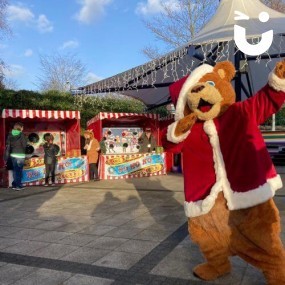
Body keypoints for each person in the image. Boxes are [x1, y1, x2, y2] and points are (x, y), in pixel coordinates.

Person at [5, 122, 27, 190]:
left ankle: (14, 185)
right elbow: (24, 145)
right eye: (22, 127)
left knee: (15, 170)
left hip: (13, 155)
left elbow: (8, 145)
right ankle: (18, 186)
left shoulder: (10, 135)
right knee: (19, 171)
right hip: (20, 155)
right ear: (20, 128)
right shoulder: (22, 135)